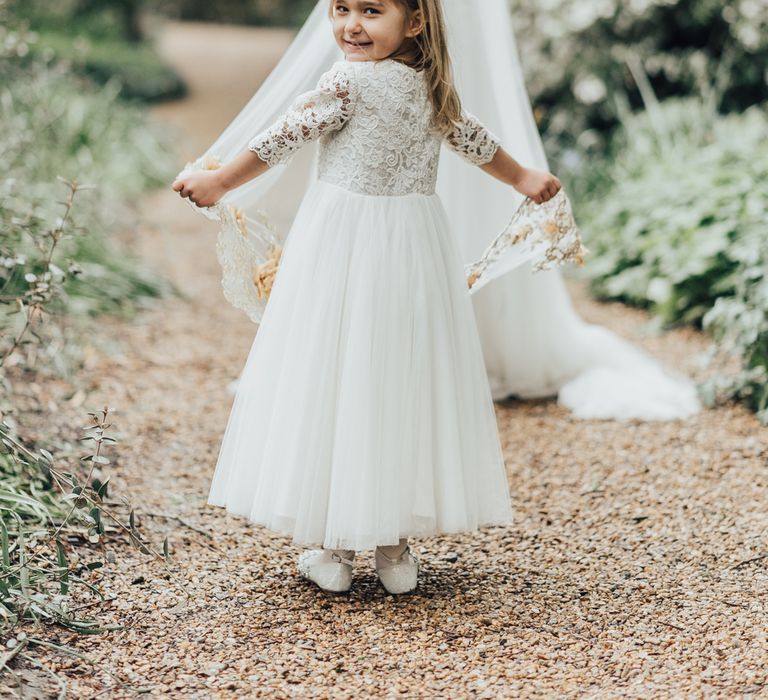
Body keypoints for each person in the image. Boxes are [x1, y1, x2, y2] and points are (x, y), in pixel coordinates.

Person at [173, 0, 561, 594]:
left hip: (344, 243)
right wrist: (524, 178)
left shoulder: (348, 80)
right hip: (413, 244)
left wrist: (220, 181)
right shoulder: (431, 86)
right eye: (340, 9)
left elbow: (283, 137)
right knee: (396, 376)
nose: (350, 25)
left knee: (337, 373)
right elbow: (474, 141)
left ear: (414, 22)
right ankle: (393, 550)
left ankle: (334, 549)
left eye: (371, 11)